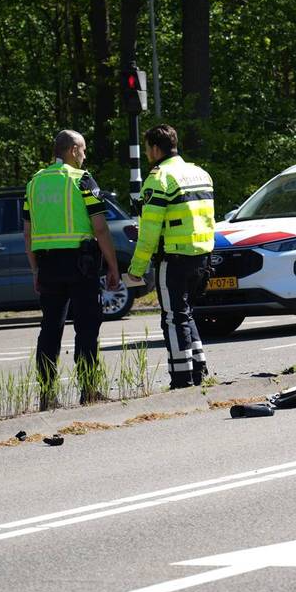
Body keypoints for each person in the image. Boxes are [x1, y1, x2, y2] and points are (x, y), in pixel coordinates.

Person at [23, 130, 121, 409]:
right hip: (82, 265)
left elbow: (27, 234)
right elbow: (100, 228)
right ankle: (88, 390)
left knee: (50, 329)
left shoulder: (34, 182)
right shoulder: (83, 180)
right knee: (87, 327)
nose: (85, 155)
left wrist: (34, 271)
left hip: (48, 266)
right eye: (84, 149)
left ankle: (46, 395)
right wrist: (112, 266)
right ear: (73, 149)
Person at [124, 125, 215, 389]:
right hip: (202, 256)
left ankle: (181, 378)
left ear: (154, 148)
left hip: (173, 258)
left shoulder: (159, 179)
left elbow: (149, 232)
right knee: (185, 314)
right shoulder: (200, 174)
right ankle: (199, 369)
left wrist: (137, 268)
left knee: (173, 318)